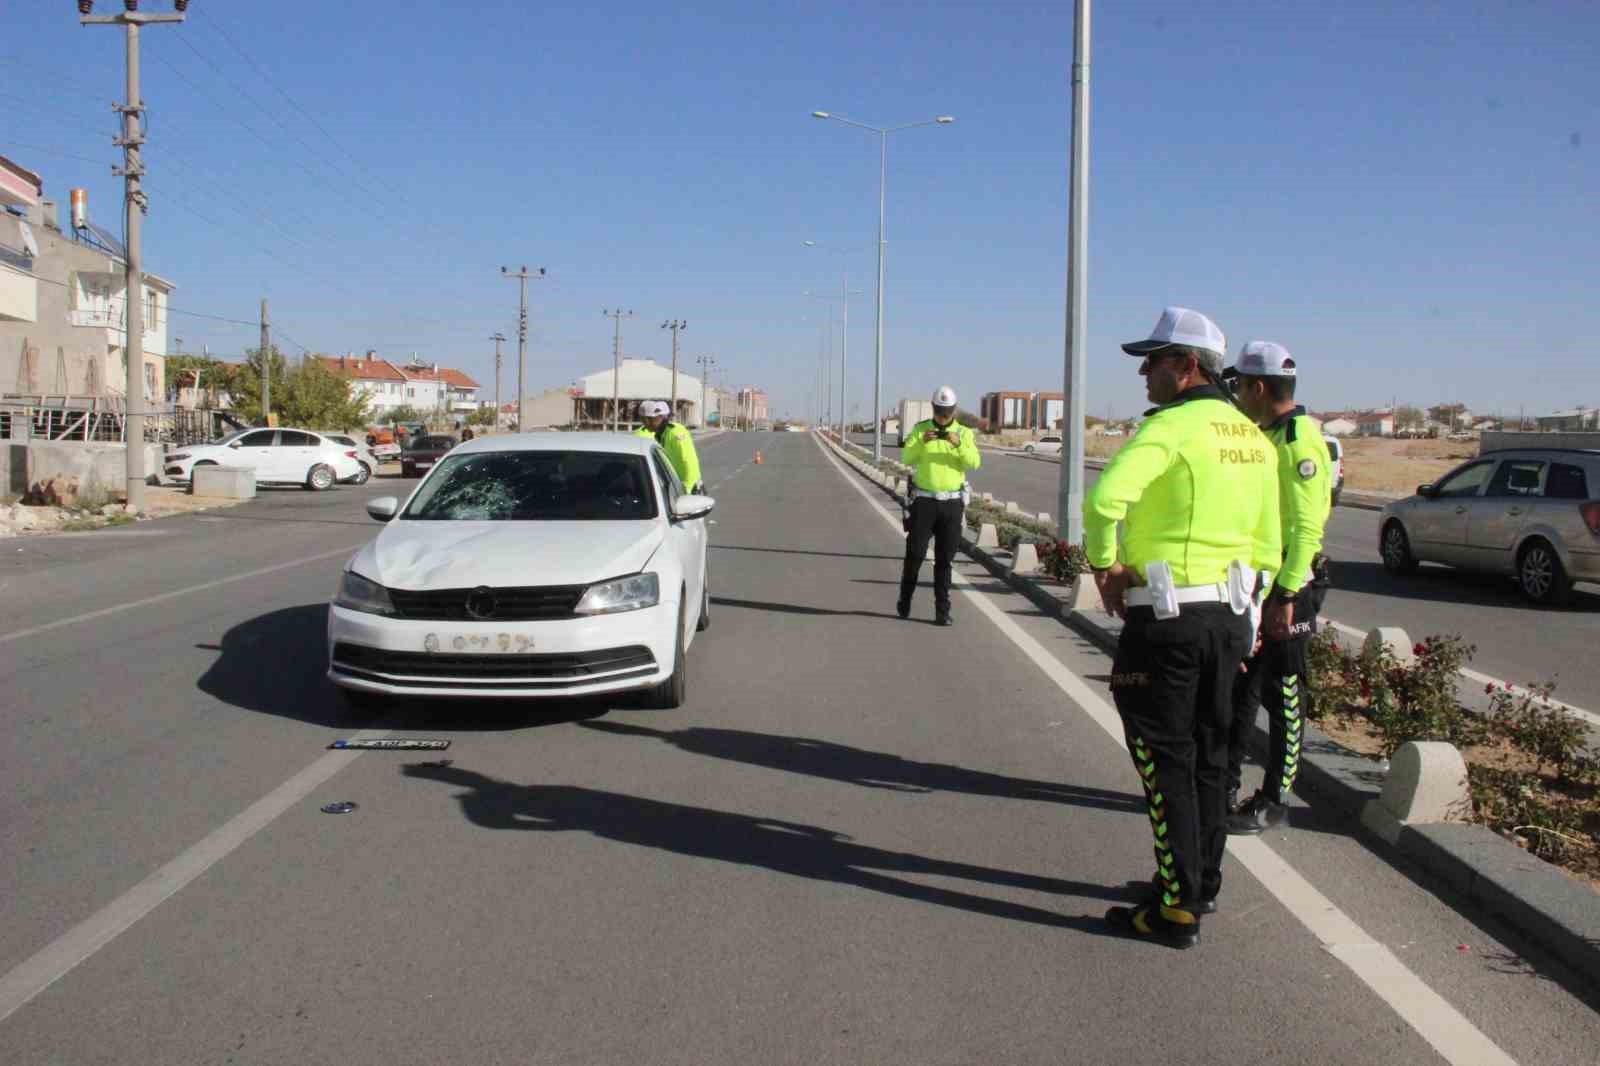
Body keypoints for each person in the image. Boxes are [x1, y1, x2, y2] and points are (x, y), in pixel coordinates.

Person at [1084, 307, 1281, 948]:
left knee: (1162, 756)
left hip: (1168, 621)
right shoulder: (1251, 437)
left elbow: (1104, 499)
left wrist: (1105, 566)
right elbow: (1268, 543)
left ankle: (1175, 907)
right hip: (1228, 618)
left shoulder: (1173, 428)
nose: (1143, 372)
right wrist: (1246, 621)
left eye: (1154, 359)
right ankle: (1201, 884)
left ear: (1187, 366)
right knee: (1210, 756)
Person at [1222, 342, 1333, 835]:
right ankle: (1223, 785)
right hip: (1258, 581)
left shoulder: (1300, 441)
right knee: (1242, 687)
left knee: (1284, 692)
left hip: (1291, 586)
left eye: (1239, 385)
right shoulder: (1264, 433)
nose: (1236, 394)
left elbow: (1309, 528)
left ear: (1259, 387)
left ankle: (1275, 798)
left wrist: (1285, 596)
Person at [898, 386, 981, 627]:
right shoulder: (920, 429)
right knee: (915, 555)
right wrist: (921, 443)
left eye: (947, 412)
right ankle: (905, 599)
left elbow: (975, 462)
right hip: (924, 502)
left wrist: (958, 445)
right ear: (934, 408)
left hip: (952, 504)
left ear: (954, 410)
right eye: (940, 411)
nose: (943, 416)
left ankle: (942, 611)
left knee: (945, 560)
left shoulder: (964, 433)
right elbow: (906, 458)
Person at [636, 400, 704, 493]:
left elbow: (689, 461)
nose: (645, 424)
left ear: (659, 417)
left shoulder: (675, 432)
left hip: (689, 488)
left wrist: (687, 489)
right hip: (675, 485)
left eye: (648, 420)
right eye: (643, 420)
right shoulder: (661, 434)